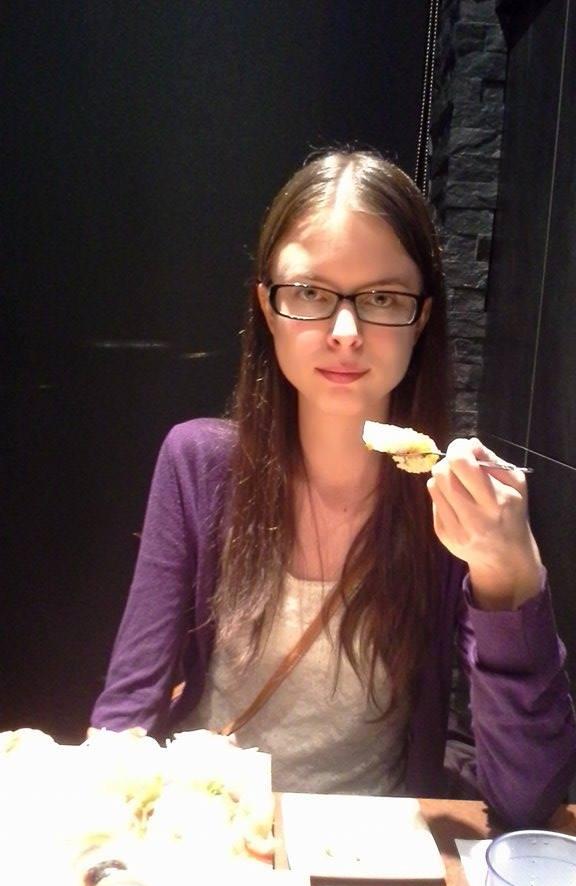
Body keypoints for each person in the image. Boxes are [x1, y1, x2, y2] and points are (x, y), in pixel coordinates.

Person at [91, 149, 576, 826]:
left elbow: (528, 798)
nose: (345, 333)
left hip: (373, 850)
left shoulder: (455, 507)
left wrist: (511, 578)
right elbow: (127, 716)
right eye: (311, 293)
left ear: (422, 317)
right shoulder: (197, 464)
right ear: (267, 307)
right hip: (208, 830)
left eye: (382, 298)